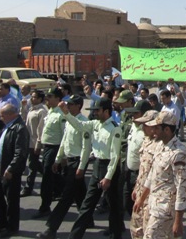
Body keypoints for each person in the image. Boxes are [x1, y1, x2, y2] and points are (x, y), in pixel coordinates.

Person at [60, 97, 124, 239]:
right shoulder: (95, 124)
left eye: (97, 110)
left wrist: (108, 177)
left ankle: (116, 234)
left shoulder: (115, 128)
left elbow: (115, 156)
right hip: (97, 166)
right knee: (87, 205)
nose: (94, 113)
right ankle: (74, 236)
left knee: (113, 205)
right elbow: (79, 126)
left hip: (109, 168)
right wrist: (66, 113)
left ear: (106, 111)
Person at [37, 95, 93, 239]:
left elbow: (86, 148)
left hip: (78, 162)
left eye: (71, 104)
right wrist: (58, 159)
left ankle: (51, 228)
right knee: (79, 192)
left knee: (67, 196)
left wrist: (81, 167)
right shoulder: (69, 120)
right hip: (69, 161)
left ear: (78, 106)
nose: (68, 107)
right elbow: (64, 141)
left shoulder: (84, 122)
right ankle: (88, 219)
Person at [133, 111, 186, 239]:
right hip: (153, 204)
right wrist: (141, 199)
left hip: (165, 210)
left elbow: (182, 187)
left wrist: (178, 220)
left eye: (157, 128)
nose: (153, 131)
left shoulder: (179, 153)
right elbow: (151, 175)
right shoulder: (160, 145)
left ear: (167, 130)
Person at [0, 103, 29, 237]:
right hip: (2, 166)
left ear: (11, 115)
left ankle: (12, 227)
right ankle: (1, 223)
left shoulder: (20, 128)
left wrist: (11, 168)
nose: (0, 118)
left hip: (11, 169)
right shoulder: (8, 124)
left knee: (12, 199)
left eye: (2, 115)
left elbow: (20, 152)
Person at [33, 87, 66, 219]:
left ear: (58, 99)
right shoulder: (50, 112)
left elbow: (64, 135)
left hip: (55, 148)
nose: (47, 99)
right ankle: (64, 190)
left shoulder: (61, 115)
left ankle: (45, 206)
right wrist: (39, 145)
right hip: (47, 148)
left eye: (50, 97)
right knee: (52, 175)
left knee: (47, 177)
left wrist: (63, 155)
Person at [129, 110, 159, 239]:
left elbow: (155, 175)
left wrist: (143, 197)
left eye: (146, 125)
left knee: (150, 232)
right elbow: (143, 169)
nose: (143, 127)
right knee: (136, 229)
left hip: (153, 196)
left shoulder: (160, 145)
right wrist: (137, 187)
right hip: (141, 192)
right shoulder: (146, 140)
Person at [21, 89, 47, 197]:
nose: (32, 99)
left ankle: (28, 188)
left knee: (32, 166)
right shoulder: (32, 109)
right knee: (36, 165)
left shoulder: (41, 111)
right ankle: (55, 179)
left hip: (34, 143)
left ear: (40, 99)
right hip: (28, 141)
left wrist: (38, 144)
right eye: (31, 96)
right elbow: (23, 118)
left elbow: (41, 129)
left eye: (35, 97)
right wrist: (23, 107)